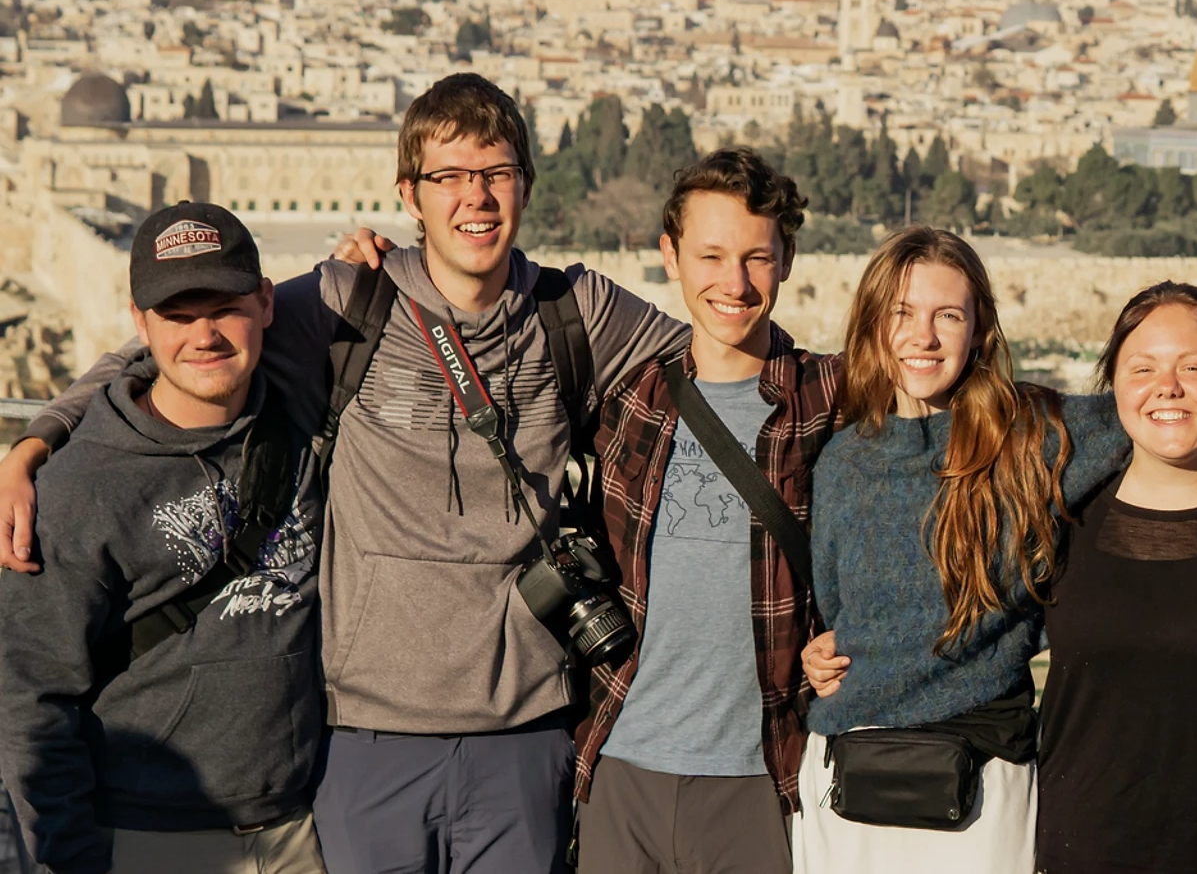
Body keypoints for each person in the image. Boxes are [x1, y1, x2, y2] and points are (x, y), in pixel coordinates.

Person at [0, 74, 687, 874]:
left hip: (522, 729)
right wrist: (37, 440)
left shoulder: (578, 313)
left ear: (526, 184)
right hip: (366, 740)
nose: (476, 197)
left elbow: (719, 349)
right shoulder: (344, 304)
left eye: (496, 172)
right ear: (409, 194)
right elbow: (184, 344)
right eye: (449, 176)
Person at [796, 228, 1197, 873]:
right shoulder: (841, 464)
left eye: (947, 315)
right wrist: (822, 653)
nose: (923, 336)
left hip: (980, 781)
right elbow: (836, 610)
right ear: (872, 323)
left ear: (979, 331)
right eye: (901, 312)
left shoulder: (1033, 437)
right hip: (848, 774)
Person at [0, 203, 326, 874]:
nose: (204, 334)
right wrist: (72, 859)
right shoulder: (76, 491)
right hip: (147, 836)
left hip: (298, 830)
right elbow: (30, 696)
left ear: (266, 303)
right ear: (140, 323)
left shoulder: (303, 421)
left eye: (225, 308)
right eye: (178, 315)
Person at [568, 149, 837, 872]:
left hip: (762, 776)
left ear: (787, 260)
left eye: (757, 258)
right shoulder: (629, 401)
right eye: (711, 256)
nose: (735, 283)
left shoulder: (831, 399)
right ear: (671, 257)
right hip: (621, 765)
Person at [1035, 282, 1197, 874]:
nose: (1167, 386)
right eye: (1142, 368)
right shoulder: (1061, 512)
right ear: (1113, 385)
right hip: (1082, 854)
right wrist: (838, 643)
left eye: (1193, 367)